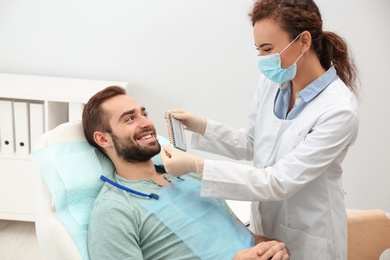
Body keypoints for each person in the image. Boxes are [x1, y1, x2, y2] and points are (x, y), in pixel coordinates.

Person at [161, 0, 359, 259]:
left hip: (310, 236)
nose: (262, 60)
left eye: (268, 49)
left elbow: (278, 182)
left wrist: (198, 168)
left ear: (304, 41)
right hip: (264, 227)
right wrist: (203, 127)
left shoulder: (339, 110)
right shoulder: (274, 83)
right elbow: (253, 142)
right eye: (258, 50)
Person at [82, 86, 290, 260]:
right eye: (129, 119)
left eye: (143, 114)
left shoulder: (188, 176)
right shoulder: (115, 210)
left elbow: (247, 237)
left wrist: (271, 248)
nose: (146, 123)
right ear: (103, 139)